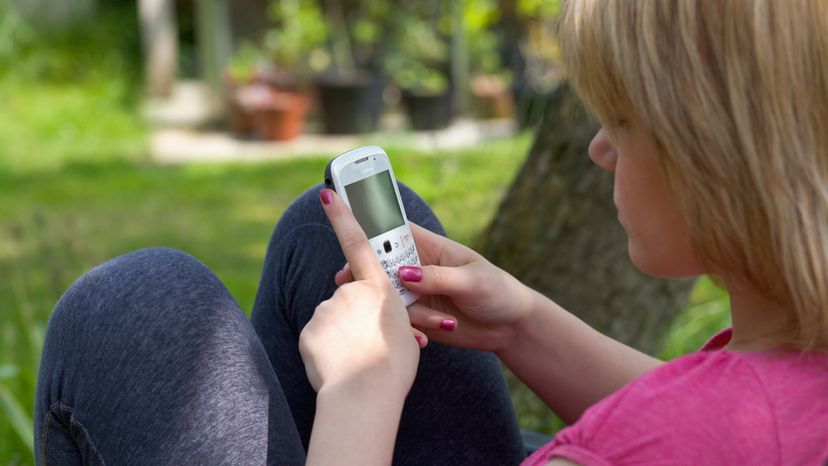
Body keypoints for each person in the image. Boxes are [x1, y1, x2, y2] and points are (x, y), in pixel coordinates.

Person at [34, 0, 828, 464]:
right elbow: (719, 430)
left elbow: (677, 438)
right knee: (330, 233)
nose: (599, 147)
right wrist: (523, 324)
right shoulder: (794, 365)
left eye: (621, 119)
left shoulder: (632, 447)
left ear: (722, 159)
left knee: (136, 307)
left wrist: (358, 398)